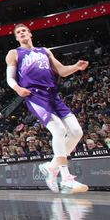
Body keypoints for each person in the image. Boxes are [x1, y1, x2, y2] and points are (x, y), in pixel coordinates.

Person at [5, 23, 89, 194]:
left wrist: (76, 67)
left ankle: (51, 167)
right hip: (34, 95)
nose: (21, 33)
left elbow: (62, 71)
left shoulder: (44, 51)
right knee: (58, 130)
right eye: (18, 32)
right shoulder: (14, 53)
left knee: (76, 132)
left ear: (30, 34)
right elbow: (9, 78)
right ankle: (66, 179)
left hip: (53, 95)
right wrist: (17, 88)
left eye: (24, 31)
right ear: (16, 38)